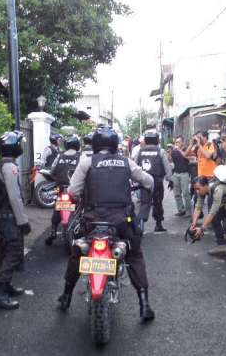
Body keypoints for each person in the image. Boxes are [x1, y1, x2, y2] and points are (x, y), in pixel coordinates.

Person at [57, 126, 156, 321]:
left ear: (94, 144)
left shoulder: (87, 162)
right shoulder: (126, 162)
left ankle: (66, 296)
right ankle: (144, 304)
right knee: (134, 254)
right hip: (121, 222)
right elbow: (149, 181)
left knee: (78, 251)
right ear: (114, 144)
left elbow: (73, 191)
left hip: (92, 221)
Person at [0, 131, 32, 310]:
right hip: (9, 218)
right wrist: (23, 221)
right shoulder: (10, 168)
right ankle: (0, 293)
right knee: (13, 253)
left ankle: (6, 287)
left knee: (3, 251)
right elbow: (14, 197)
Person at [45, 135, 81, 245]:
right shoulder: (80, 156)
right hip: (75, 190)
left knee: (57, 207)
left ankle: (53, 231)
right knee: (82, 206)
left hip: (62, 189)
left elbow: (52, 171)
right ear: (77, 145)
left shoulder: (60, 156)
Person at [136, 131, 173, 232]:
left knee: (145, 203)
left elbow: (135, 165)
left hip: (144, 181)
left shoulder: (140, 151)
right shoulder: (160, 151)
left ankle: (140, 224)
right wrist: (170, 180)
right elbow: (167, 167)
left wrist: (135, 181)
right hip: (157, 181)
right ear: (156, 140)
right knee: (157, 203)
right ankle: (158, 224)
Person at [171, 136, 193, 216]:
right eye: (176, 142)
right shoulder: (174, 151)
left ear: (183, 142)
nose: (177, 143)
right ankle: (181, 210)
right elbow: (170, 160)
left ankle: (188, 211)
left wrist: (179, 150)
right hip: (176, 173)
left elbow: (186, 156)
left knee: (186, 193)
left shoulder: (186, 149)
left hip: (184, 173)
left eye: (179, 142)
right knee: (176, 193)